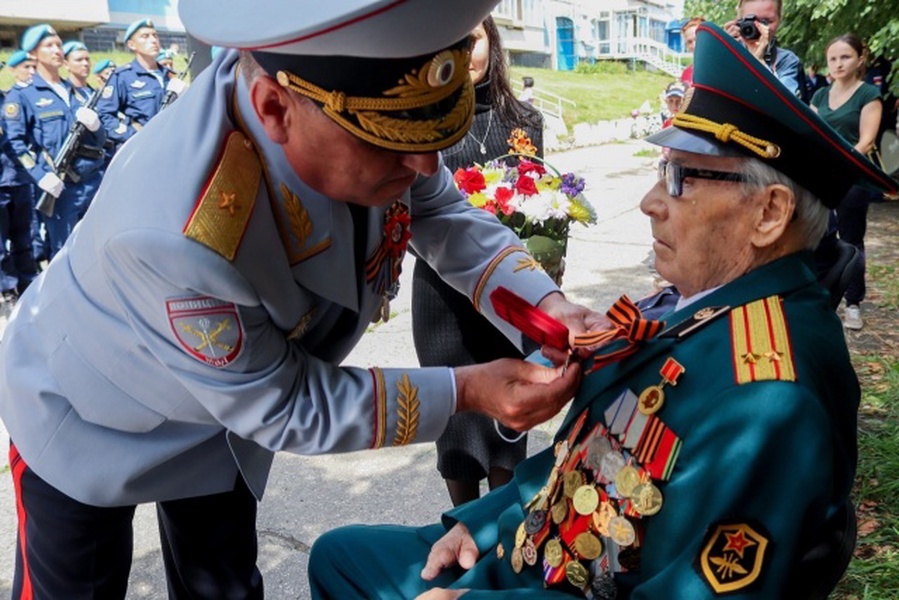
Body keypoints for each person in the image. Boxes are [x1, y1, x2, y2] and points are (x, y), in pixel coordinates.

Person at [0, 2, 608, 598]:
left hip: (223, 412)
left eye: (432, 132)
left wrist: (546, 309)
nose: (425, 163)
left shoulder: (342, 106)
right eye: (391, 141)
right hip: (90, 415)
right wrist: (469, 391)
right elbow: (289, 402)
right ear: (274, 108)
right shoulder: (178, 230)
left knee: (225, 582)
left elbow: (444, 214)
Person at [309, 22, 897, 599]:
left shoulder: (771, 396)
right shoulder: (704, 304)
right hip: (535, 547)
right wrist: (484, 518)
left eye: (678, 178)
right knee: (339, 553)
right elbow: (593, 455)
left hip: (555, 583)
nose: (649, 203)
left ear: (769, 214)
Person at [412, 16, 546, 508]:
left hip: (509, 296)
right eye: (453, 39)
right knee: (457, 420)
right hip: (440, 298)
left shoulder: (526, 123)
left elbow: (542, 203)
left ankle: (506, 537)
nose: (466, 52)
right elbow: (417, 214)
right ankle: (464, 528)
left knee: (511, 413)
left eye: (475, 39)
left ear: (495, 44)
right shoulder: (422, 122)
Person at [2, 25, 107, 260]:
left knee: (100, 249)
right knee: (67, 255)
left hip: (94, 182)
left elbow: (102, 140)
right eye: (48, 45)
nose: (57, 50)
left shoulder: (78, 92)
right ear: (32, 54)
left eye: (59, 45)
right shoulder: (23, 95)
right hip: (61, 187)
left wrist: (96, 127)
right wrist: (40, 176)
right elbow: (14, 144)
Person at [810, 34, 883, 330]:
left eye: (845, 57)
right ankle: (822, 297)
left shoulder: (868, 95)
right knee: (816, 237)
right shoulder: (818, 96)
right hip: (821, 176)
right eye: (833, 58)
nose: (839, 63)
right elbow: (811, 133)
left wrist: (840, 165)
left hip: (852, 177)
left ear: (859, 60)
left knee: (851, 241)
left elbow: (865, 142)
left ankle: (853, 304)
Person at [95, 18, 184, 146]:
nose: (153, 40)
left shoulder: (169, 75)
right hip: (142, 148)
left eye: (155, 36)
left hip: (174, 144)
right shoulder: (123, 77)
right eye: (145, 36)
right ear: (132, 45)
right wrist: (133, 137)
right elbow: (105, 114)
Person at [0, 68, 38, 304]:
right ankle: (8, 289)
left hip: (19, 179)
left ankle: (28, 283)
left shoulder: (10, 100)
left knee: (25, 236)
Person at [723, 0, 808, 101]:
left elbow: (785, 105)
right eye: (749, 20)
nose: (758, 27)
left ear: (779, 21)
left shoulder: (786, 61)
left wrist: (759, 61)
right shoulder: (727, 52)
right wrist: (722, 49)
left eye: (766, 22)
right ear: (738, 21)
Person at [679, 16, 704, 87]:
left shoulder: (719, 68)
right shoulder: (686, 74)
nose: (694, 45)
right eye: (689, 42)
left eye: (697, 39)